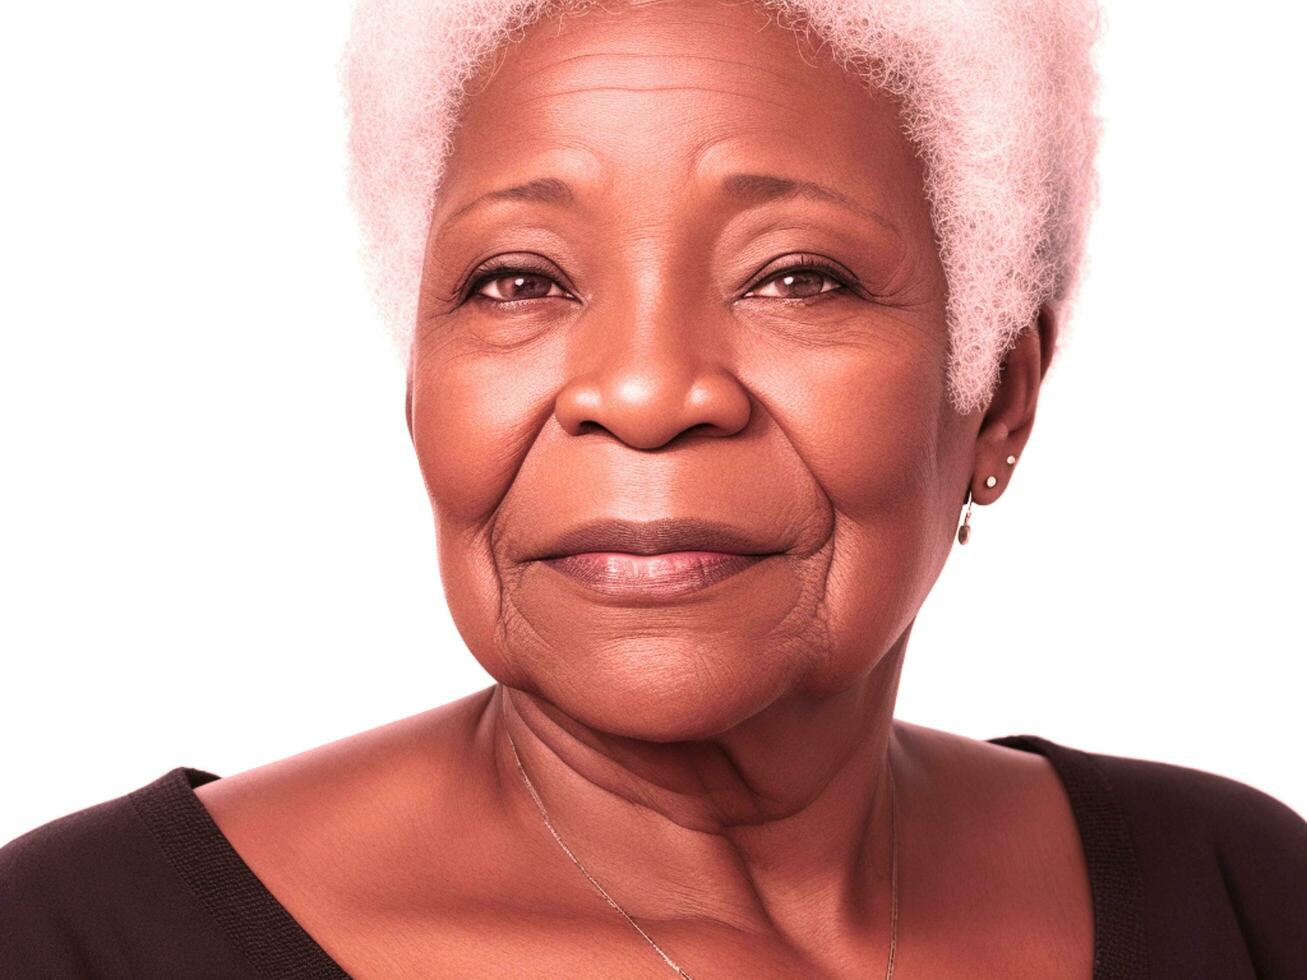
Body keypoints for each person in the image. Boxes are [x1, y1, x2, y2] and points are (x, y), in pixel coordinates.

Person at [3, 0, 1305, 977]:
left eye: (797, 274)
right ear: (420, 388)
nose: (643, 389)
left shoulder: (1238, 898)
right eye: (519, 279)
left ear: (999, 398)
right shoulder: (77, 944)